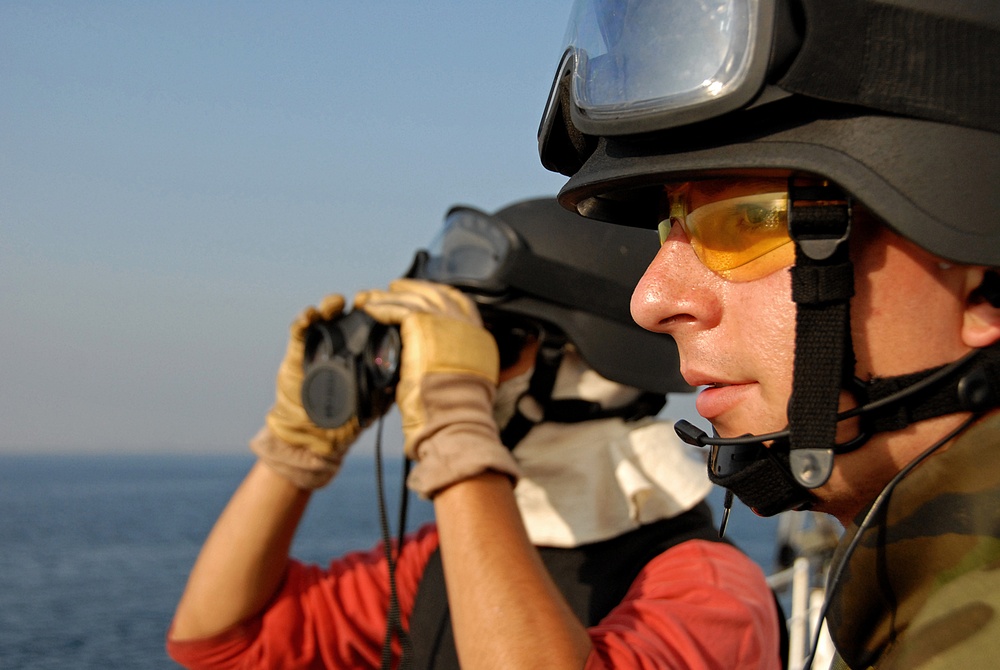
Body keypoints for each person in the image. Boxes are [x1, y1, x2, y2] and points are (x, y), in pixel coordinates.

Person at [535, 1, 1000, 668]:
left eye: (748, 223)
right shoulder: (915, 602)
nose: (651, 300)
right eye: (672, 228)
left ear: (984, 283)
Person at [166, 197, 782, 669]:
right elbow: (221, 641)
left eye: (488, 347)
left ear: (594, 368)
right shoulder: (438, 566)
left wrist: (457, 430)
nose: (455, 375)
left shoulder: (713, 591)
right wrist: (295, 446)